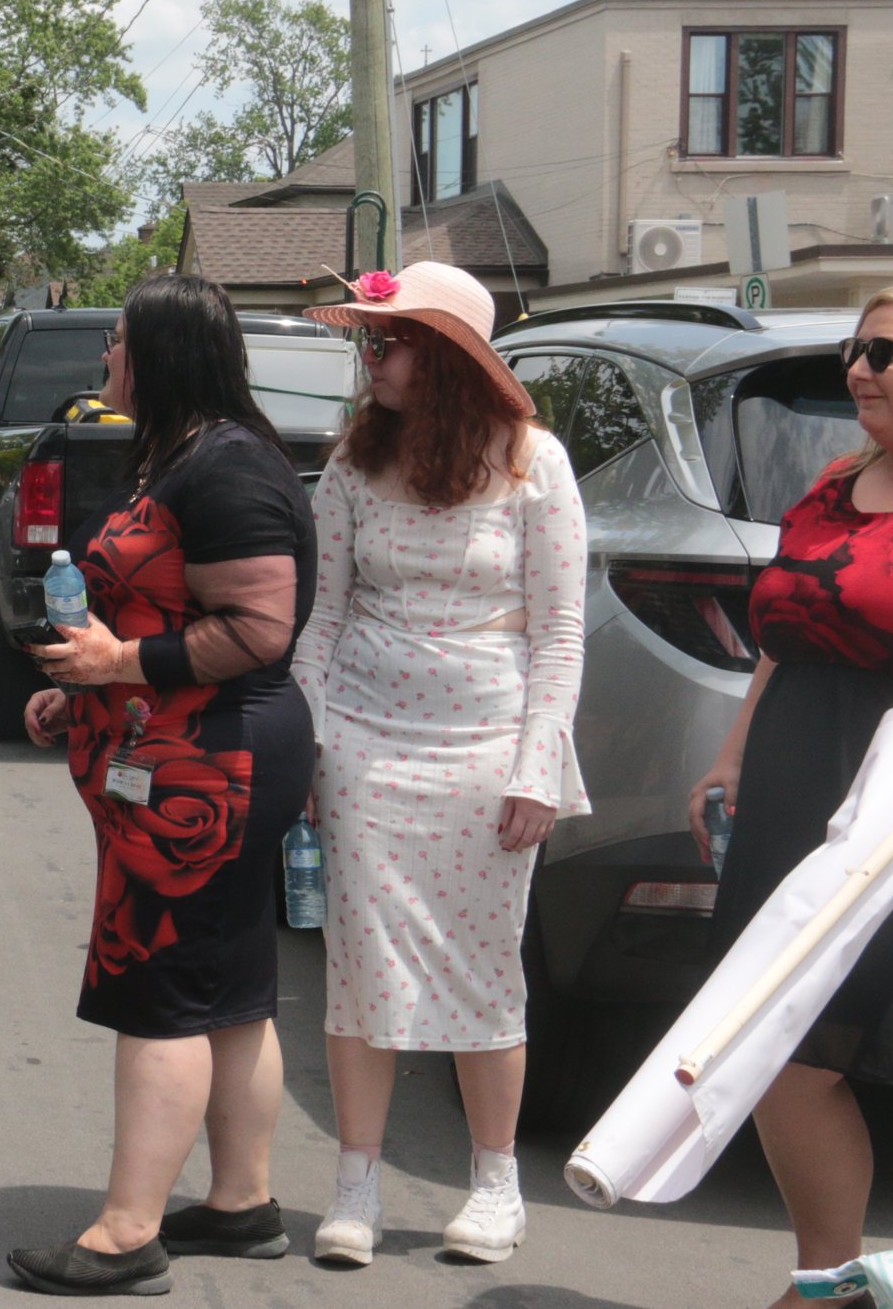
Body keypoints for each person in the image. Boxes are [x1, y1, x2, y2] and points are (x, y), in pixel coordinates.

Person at [7, 274, 316, 1296]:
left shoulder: (226, 469)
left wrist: (116, 669)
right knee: (228, 994)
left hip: (211, 763)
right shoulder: (189, 454)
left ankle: (126, 1231)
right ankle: (240, 1203)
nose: (103, 359)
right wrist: (84, 689)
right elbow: (162, 607)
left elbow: (258, 631)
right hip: (190, 748)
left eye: (116, 341)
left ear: (162, 352)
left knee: (167, 996)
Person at [289, 260, 589, 1268]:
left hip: (485, 747)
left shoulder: (531, 462)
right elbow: (321, 616)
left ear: (452, 356)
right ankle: (355, 1184)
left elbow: (558, 630)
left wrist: (536, 763)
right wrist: (308, 740)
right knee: (359, 964)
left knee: (482, 964)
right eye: (370, 338)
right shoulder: (348, 466)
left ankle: (495, 1184)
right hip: (365, 746)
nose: (373, 356)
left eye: (393, 338)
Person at [690, 274, 893, 1309]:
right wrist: (732, 751)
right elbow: (786, 637)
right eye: (854, 350)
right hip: (799, 794)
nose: (857, 369)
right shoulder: (835, 480)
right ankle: (827, 1281)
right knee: (778, 1042)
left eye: (883, 353)